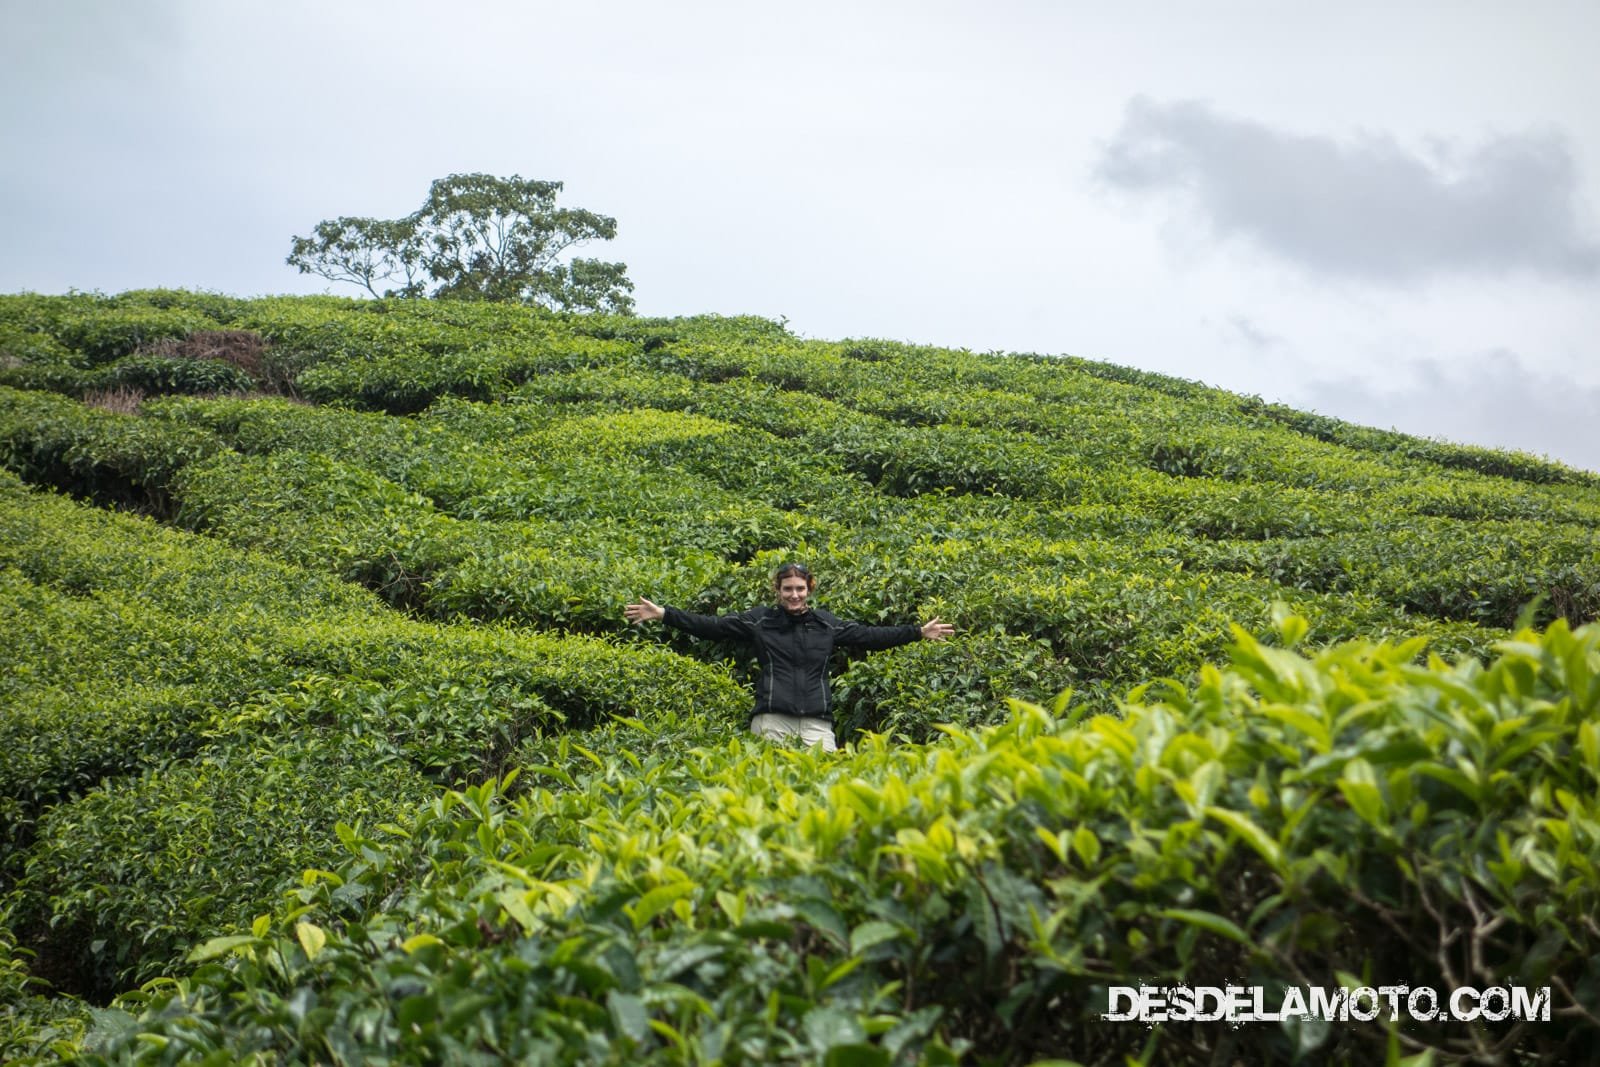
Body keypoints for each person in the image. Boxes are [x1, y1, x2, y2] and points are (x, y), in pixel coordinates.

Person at [625, 562, 955, 751]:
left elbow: (869, 636)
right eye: (787, 589)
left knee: (827, 785)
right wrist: (665, 614)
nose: (794, 594)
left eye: (800, 588)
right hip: (772, 719)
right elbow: (712, 627)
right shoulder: (760, 621)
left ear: (809, 589)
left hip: (816, 722)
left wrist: (917, 632)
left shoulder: (827, 624)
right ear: (778, 591)